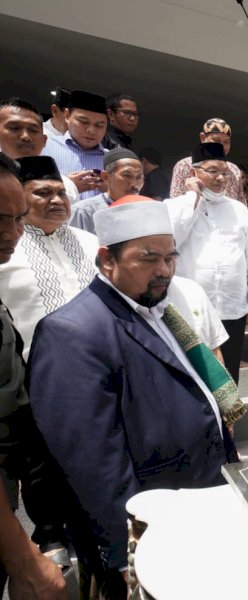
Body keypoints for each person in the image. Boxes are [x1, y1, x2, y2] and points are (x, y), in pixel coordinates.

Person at [28, 196, 239, 598]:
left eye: (170, 257)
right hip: (148, 526)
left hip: (198, 503)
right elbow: (92, 463)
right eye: (148, 259)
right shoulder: (73, 332)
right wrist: (127, 553)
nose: (164, 271)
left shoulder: (160, 308)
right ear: (107, 260)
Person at [0, 153, 68, 600]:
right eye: (0, 218)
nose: (11, 232)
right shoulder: (13, 258)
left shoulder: (82, 240)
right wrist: (23, 559)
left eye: (17, 220)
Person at [165, 142, 248, 383]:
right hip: (190, 310)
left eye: (225, 172)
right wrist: (192, 196)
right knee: (193, 377)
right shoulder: (175, 206)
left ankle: (227, 422)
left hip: (232, 309)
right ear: (193, 173)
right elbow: (172, 240)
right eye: (213, 171)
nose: (221, 178)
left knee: (229, 377)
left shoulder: (238, 209)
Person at [0, 156, 97, 358]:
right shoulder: (6, 249)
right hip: (31, 373)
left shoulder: (92, 243)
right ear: (19, 199)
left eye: (62, 193)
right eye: (43, 193)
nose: (57, 200)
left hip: (100, 365)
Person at [0, 97, 79, 204]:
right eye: (14, 128)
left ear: (44, 140)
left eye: (33, 130)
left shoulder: (66, 188)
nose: (25, 137)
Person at [42, 90, 108, 201]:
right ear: (67, 116)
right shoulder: (44, 148)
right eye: (83, 122)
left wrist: (113, 191)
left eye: (99, 125)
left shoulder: (113, 161)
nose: (91, 131)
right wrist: (66, 186)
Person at [69, 147, 144, 234]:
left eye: (139, 177)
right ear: (106, 177)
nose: (134, 184)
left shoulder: (147, 211)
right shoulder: (83, 212)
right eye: (127, 175)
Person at [169, 118, 246, 202]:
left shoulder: (234, 169)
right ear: (202, 138)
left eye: (226, 142)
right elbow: (175, 200)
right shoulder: (184, 165)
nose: (222, 146)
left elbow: (240, 201)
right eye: (216, 140)